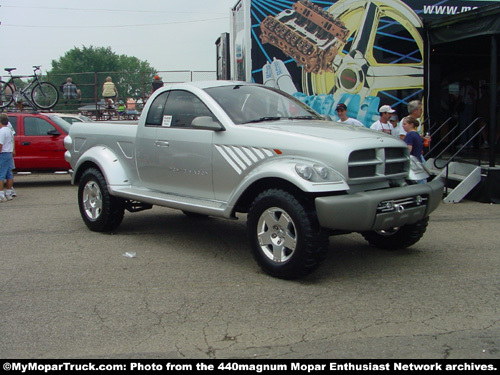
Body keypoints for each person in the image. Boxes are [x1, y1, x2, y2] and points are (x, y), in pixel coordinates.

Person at [402, 116, 426, 184]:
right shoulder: (417, 134)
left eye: (405, 124)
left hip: (412, 163)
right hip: (418, 160)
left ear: (411, 124)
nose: (403, 126)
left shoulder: (409, 135)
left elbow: (408, 150)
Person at [0, 114, 15, 202]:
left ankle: (1, 194)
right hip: (9, 153)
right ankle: (9, 193)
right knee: (9, 174)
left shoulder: (2, 131)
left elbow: (0, 145)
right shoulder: (9, 130)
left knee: (1, 175)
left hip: (3, 154)